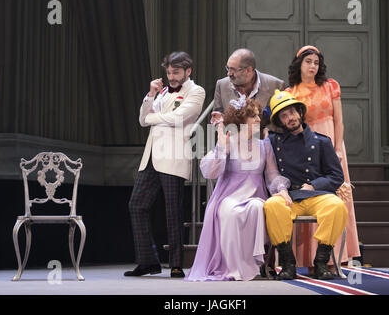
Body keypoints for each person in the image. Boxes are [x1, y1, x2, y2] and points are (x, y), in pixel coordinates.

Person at [186, 99, 291, 281]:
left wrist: (282, 189)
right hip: (229, 195)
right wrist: (221, 149)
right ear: (241, 120)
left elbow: (272, 174)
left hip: (254, 195)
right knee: (230, 212)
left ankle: (251, 265)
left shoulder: (265, 145)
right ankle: (232, 267)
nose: (258, 119)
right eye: (253, 116)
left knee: (257, 208)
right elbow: (211, 172)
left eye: (258, 115)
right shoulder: (227, 141)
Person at [124, 51, 205, 278]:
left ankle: (176, 263)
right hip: (151, 157)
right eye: (169, 72)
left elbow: (179, 118)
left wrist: (152, 118)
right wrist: (150, 96)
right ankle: (147, 261)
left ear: (187, 71)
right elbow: (142, 119)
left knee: (172, 211)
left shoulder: (196, 91)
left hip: (173, 156)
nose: (171, 76)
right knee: (136, 205)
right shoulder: (159, 93)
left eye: (176, 72)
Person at [285, 45, 360, 269]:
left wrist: (337, 148)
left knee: (337, 196)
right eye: (308, 62)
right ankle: (310, 257)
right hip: (307, 147)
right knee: (312, 196)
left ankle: (338, 254)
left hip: (331, 144)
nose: (313, 66)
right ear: (300, 65)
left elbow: (339, 120)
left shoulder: (330, 86)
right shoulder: (291, 93)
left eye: (316, 63)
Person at [263, 90, 348, 280]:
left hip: (316, 195)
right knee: (271, 205)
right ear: (280, 121)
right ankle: (287, 263)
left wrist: (313, 185)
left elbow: (336, 175)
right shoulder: (272, 142)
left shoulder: (321, 141)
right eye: (284, 116)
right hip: (290, 197)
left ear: (300, 113)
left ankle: (321, 262)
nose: (290, 118)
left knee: (337, 206)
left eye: (292, 112)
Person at [210, 48, 285, 130]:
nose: (229, 74)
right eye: (228, 68)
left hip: (266, 139)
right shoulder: (221, 85)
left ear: (248, 70)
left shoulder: (276, 85)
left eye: (233, 70)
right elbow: (218, 117)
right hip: (233, 140)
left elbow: (280, 120)